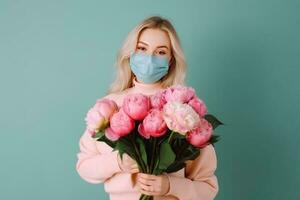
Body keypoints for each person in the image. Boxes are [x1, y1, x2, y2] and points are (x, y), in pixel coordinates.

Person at [76, 15, 219, 200]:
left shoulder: (184, 112)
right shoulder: (109, 107)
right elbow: (84, 166)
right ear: (130, 53)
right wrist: (118, 162)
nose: (150, 58)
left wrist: (170, 186)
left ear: (171, 60)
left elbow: (208, 188)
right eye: (142, 48)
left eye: (160, 52)